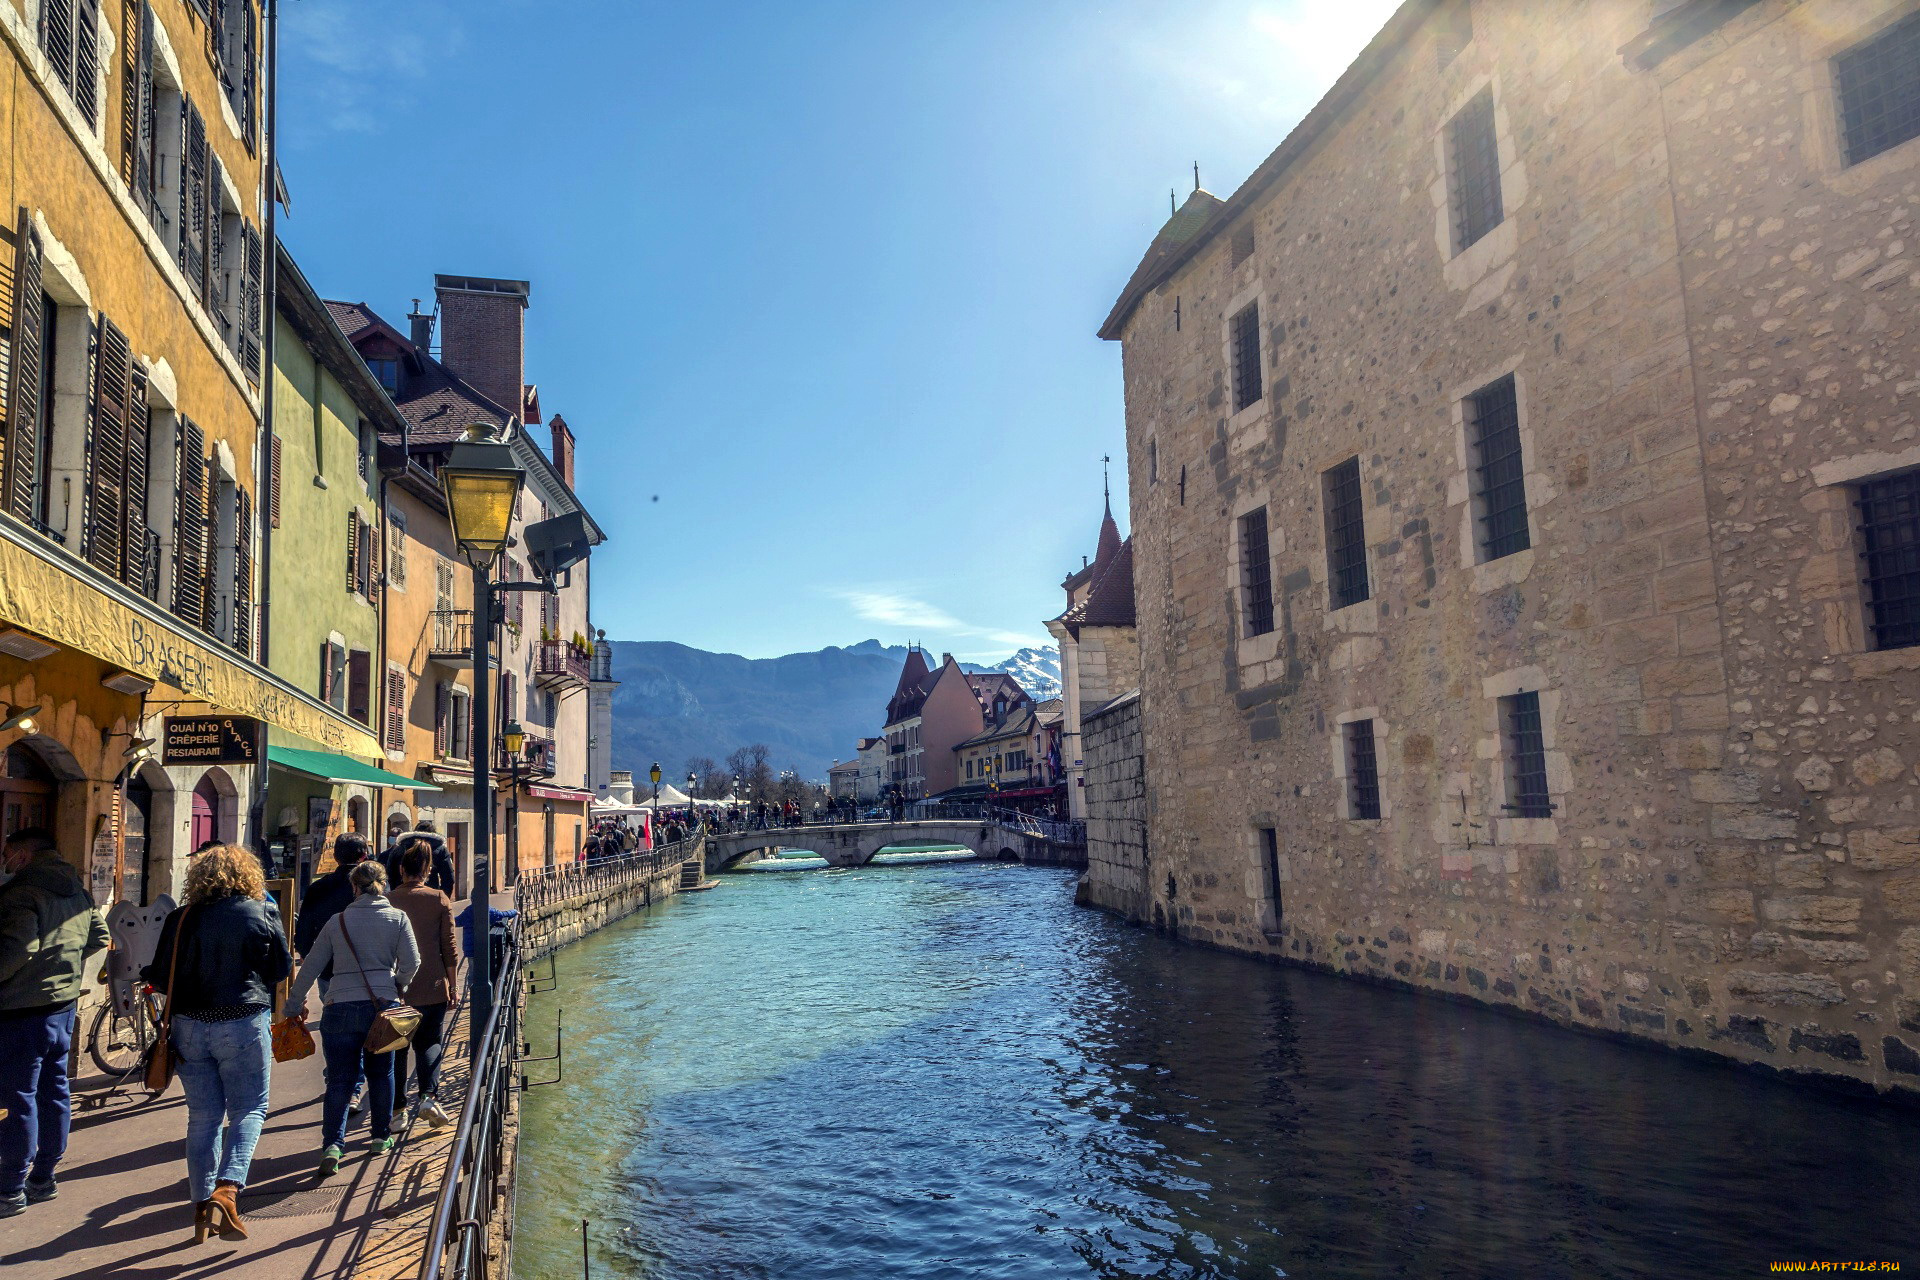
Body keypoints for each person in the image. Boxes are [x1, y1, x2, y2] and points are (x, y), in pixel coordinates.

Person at [142, 845, 293, 1242]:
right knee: (249, 1108)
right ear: (247, 874)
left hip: (189, 1025)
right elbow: (279, 968)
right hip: (242, 1021)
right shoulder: (260, 909)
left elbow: (158, 974)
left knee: (203, 1116)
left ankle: (200, 1208)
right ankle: (227, 1190)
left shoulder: (181, 916)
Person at [0, 827, 109, 1218]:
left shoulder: (21, 894)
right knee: (54, 1090)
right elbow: (100, 935)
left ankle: (11, 1187)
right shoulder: (75, 890)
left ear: (23, 855)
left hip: (20, 1012)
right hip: (61, 1008)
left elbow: (18, 949)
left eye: (7, 852)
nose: (4, 860)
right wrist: (64, 970)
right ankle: (43, 1177)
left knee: (17, 1098)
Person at [284, 861, 419, 1176]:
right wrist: (398, 984)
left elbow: (311, 966)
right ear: (383, 885)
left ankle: (332, 1145)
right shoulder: (398, 918)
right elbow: (412, 962)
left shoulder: (338, 921)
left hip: (340, 1005)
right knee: (381, 1073)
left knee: (340, 1080)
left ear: (354, 887)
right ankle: (379, 1138)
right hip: (382, 1007)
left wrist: (293, 1005)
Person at [387, 843, 455, 1130]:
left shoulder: (388, 900)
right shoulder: (439, 899)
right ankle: (428, 1095)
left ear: (401, 870)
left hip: (398, 989)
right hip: (433, 983)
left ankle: (398, 1111)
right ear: (428, 870)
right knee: (430, 1042)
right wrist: (453, 985)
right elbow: (448, 947)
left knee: (398, 1048)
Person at [380, 819, 455, 896]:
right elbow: (448, 878)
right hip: (430, 897)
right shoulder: (441, 850)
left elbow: (390, 874)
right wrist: (442, 898)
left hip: (402, 895)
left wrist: (396, 893)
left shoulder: (400, 848)